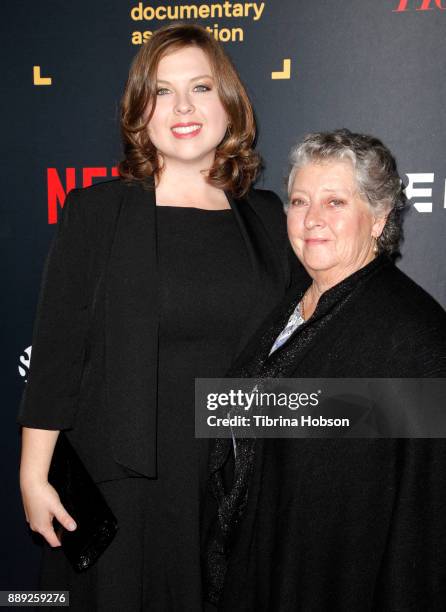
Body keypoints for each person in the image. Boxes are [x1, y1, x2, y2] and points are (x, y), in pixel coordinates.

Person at [17, 24, 303, 611]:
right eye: (162, 91)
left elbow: (306, 342)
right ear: (139, 111)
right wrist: (33, 474)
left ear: (229, 103)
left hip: (232, 483)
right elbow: (56, 351)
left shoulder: (269, 218)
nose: (183, 108)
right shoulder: (97, 211)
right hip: (120, 481)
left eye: (200, 87)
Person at [205, 129, 446, 611]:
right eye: (299, 201)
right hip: (258, 563)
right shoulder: (288, 301)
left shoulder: (413, 335)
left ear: (378, 217)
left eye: (335, 202)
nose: (312, 219)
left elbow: (423, 517)